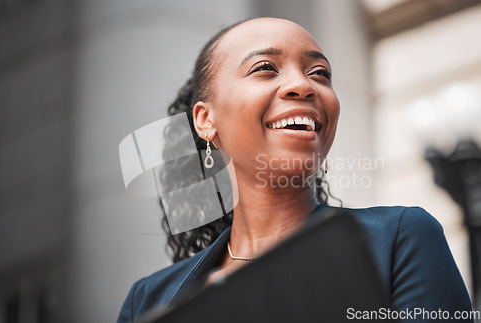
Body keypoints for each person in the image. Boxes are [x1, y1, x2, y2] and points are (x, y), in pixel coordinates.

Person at [117, 17, 473, 322]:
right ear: (206, 120)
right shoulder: (148, 300)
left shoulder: (399, 238)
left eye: (320, 73)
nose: (304, 85)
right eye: (265, 68)